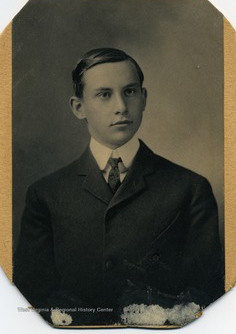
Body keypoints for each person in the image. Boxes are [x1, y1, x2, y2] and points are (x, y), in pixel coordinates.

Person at [14, 48, 224, 327]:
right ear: (79, 108)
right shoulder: (46, 194)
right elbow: (29, 295)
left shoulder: (190, 188)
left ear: (144, 98)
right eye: (104, 94)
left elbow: (207, 293)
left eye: (130, 92)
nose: (121, 107)